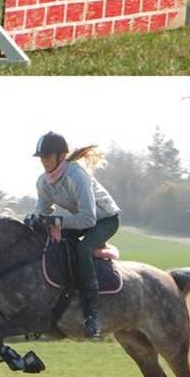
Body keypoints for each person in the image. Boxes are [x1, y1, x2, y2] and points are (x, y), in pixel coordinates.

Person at [33, 131, 120, 338]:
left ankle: (92, 315)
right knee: (55, 246)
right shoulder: (43, 182)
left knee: (83, 249)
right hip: (83, 220)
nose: (43, 161)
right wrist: (34, 220)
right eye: (41, 157)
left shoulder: (76, 176)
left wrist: (55, 222)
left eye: (47, 155)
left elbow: (88, 220)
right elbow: (41, 212)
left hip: (105, 220)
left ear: (60, 156)